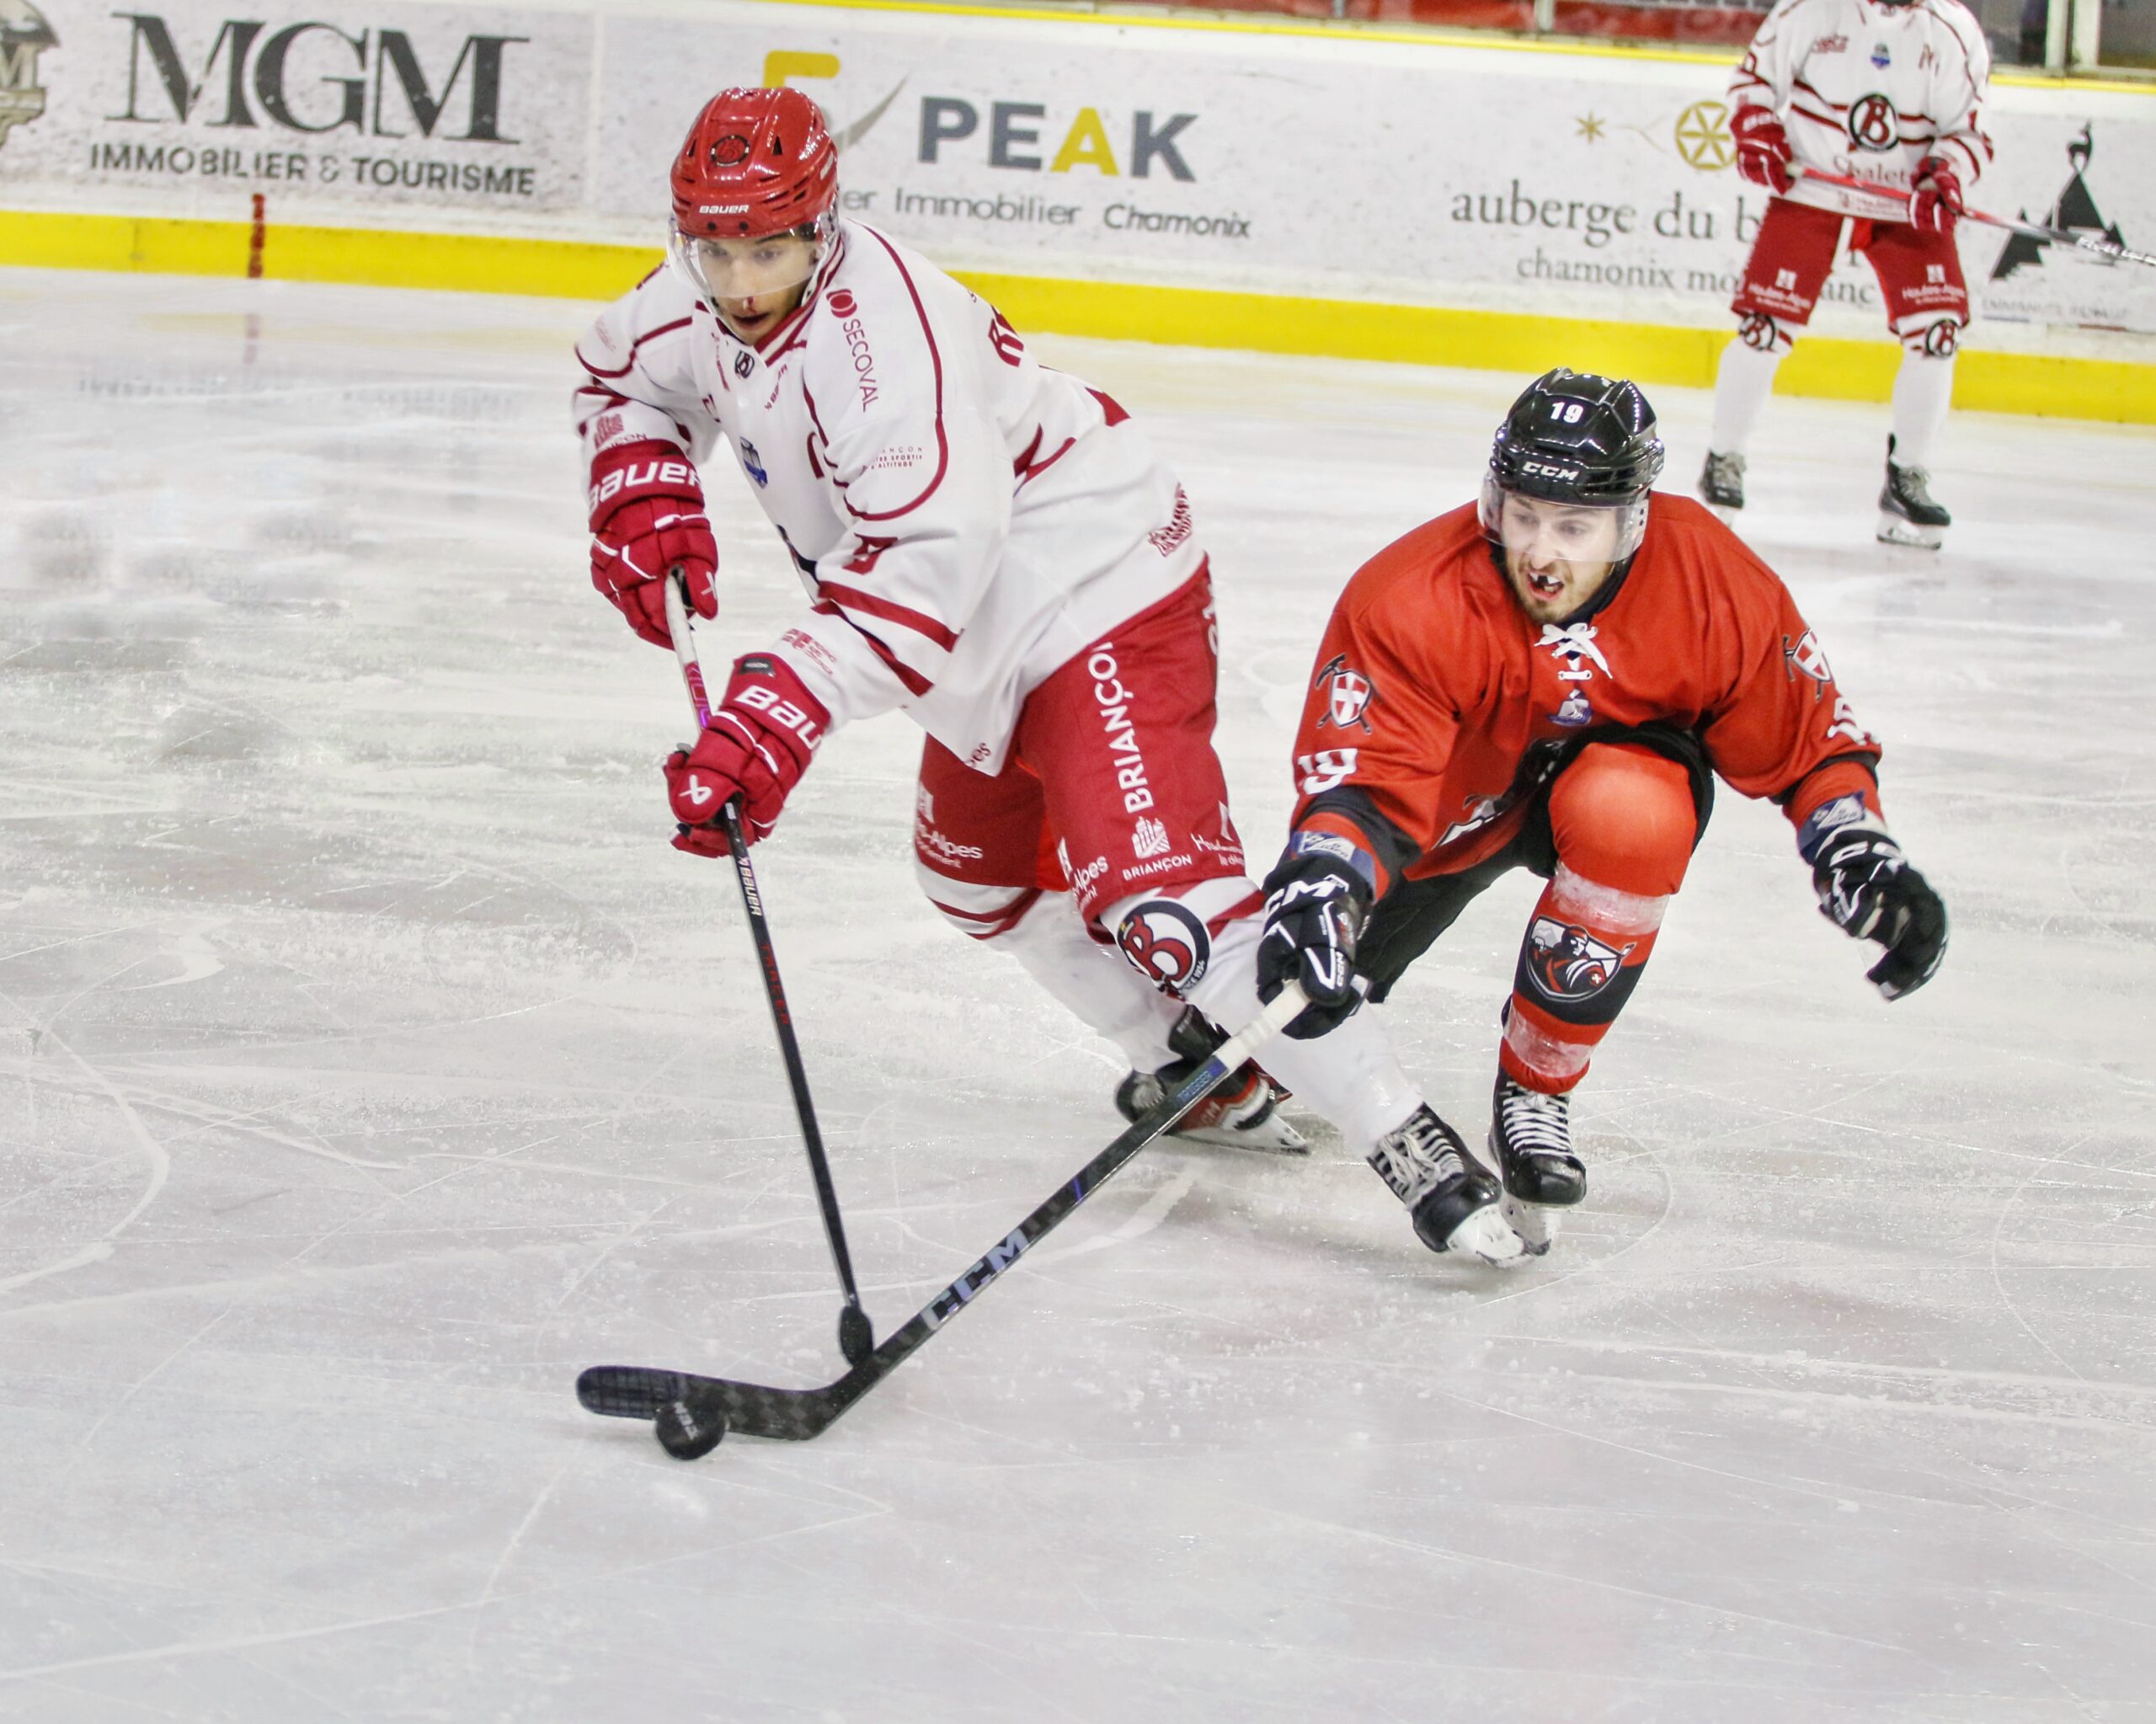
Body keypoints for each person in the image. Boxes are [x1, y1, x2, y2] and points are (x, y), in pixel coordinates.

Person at [571, 88, 1524, 1261]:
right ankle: (1203, 1072)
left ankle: (1411, 1141)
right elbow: (622, 380)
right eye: (713, 251)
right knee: (975, 878)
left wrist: (775, 710)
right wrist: (642, 481)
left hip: (1093, 585)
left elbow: (922, 574)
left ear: (823, 226)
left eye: (766, 250)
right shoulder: (695, 296)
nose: (737, 281)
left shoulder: (885, 349)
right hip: (972, 623)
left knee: (1165, 902)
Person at [1256, 368, 1949, 1253]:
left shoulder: (1708, 577)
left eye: (1574, 526)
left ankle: (1536, 1085)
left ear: (1632, 521)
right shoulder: (1413, 593)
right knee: (1246, 1047)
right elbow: (1366, 778)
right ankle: (1224, 1062)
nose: (1541, 553)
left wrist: (1857, 846)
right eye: (1523, 516)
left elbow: (1804, 736)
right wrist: (1323, 881)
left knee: (1635, 817)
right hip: (1450, 815)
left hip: (1610, 785)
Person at [1699, 0, 1993, 547]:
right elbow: (1754, 84)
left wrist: (1944, 175)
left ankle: (1907, 474)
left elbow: (1969, 129)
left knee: (1937, 333)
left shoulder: (1951, 30)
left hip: (1904, 200)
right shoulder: (1812, 10)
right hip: (1815, 188)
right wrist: (1759, 130)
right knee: (1763, 328)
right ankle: (1725, 458)